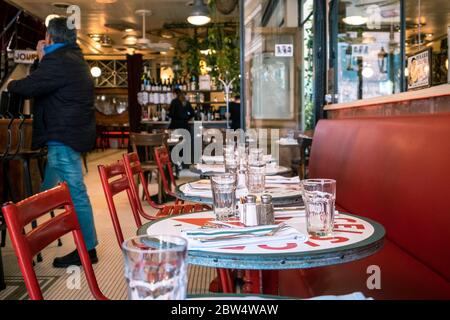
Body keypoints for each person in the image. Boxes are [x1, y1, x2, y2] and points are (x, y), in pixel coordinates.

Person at [7, 17, 99, 268]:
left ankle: (87, 249)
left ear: (50, 37)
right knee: (43, 195)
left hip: (63, 137)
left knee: (74, 193)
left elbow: (29, 86)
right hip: (70, 135)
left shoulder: (58, 61)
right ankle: (28, 236)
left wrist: (10, 84)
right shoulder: (74, 58)